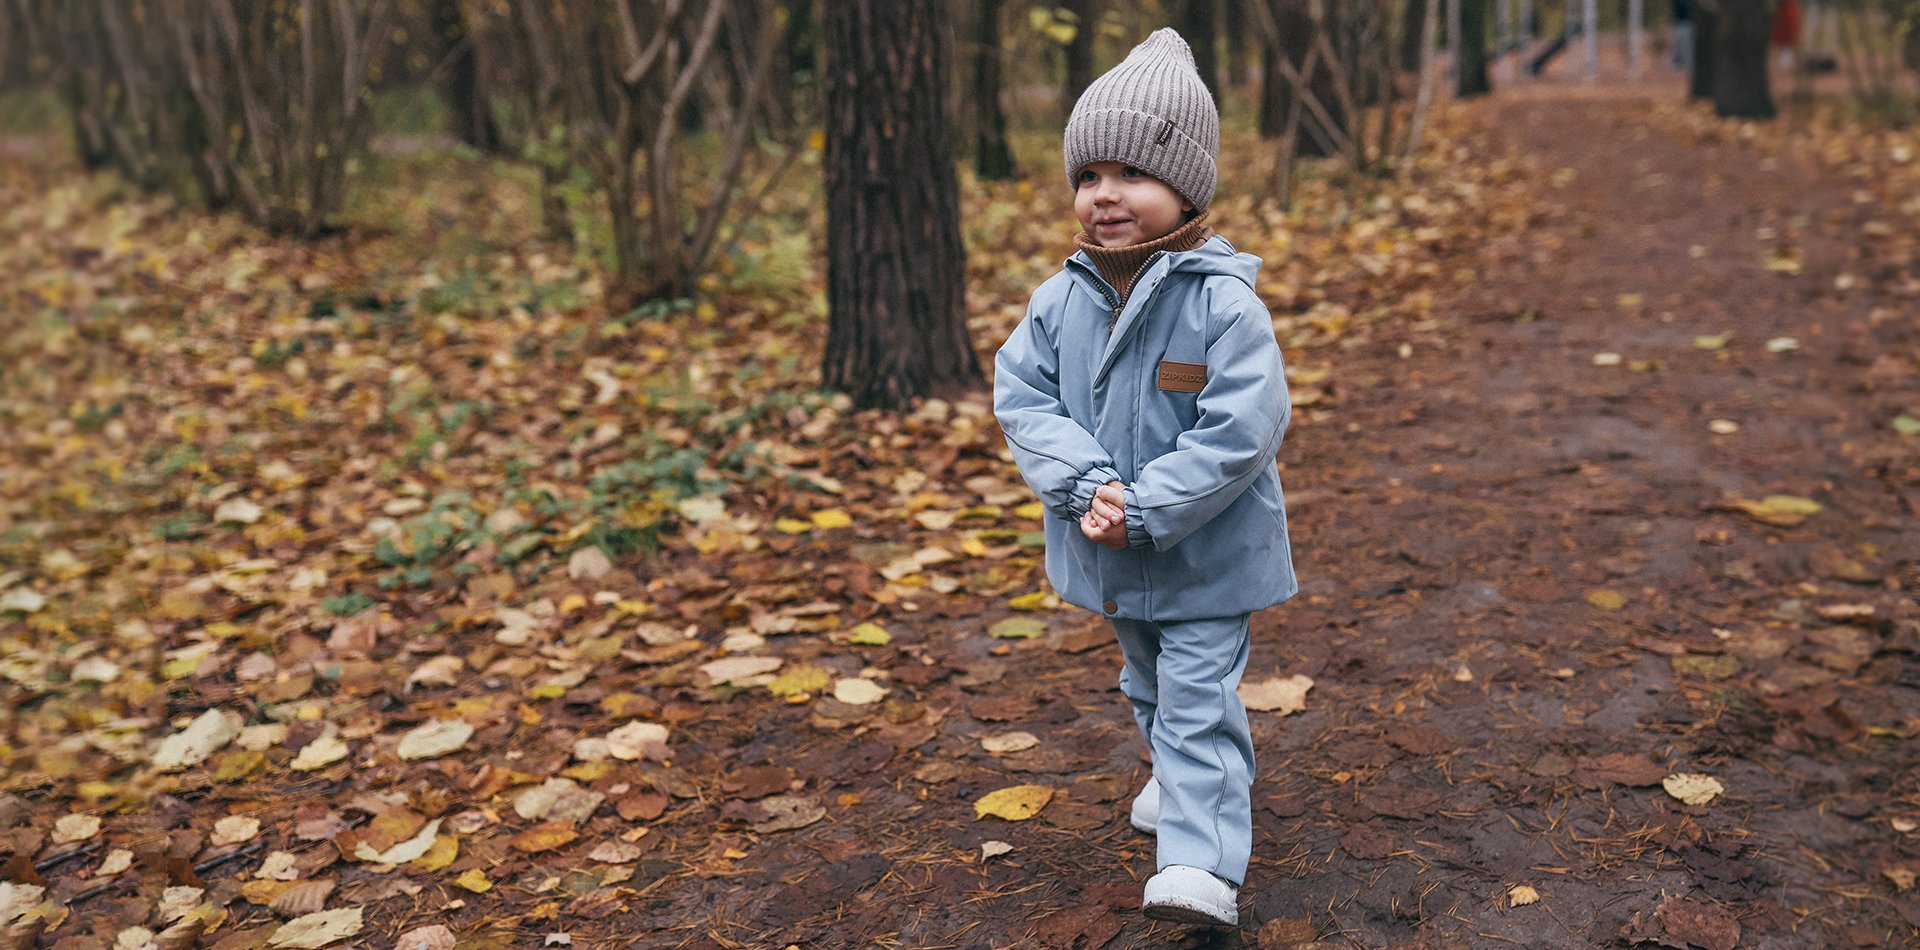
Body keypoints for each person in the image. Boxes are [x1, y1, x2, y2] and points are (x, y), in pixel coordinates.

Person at [992, 27, 1296, 929]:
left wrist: (1152, 505)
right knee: (1149, 686)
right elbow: (1023, 399)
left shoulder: (1222, 303)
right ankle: (1178, 780)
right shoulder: (1061, 299)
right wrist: (1086, 487)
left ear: (1186, 186)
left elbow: (1243, 430)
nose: (1103, 196)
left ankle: (1201, 865)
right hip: (1109, 548)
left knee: (1197, 696)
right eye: (1088, 176)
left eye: (1131, 173)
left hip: (1207, 554)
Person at [1672, 0, 1694, 72]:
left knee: (1687, 46)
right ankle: (1677, 63)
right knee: (1678, 45)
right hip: (1679, 22)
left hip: (1687, 23)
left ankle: (1687, 64)